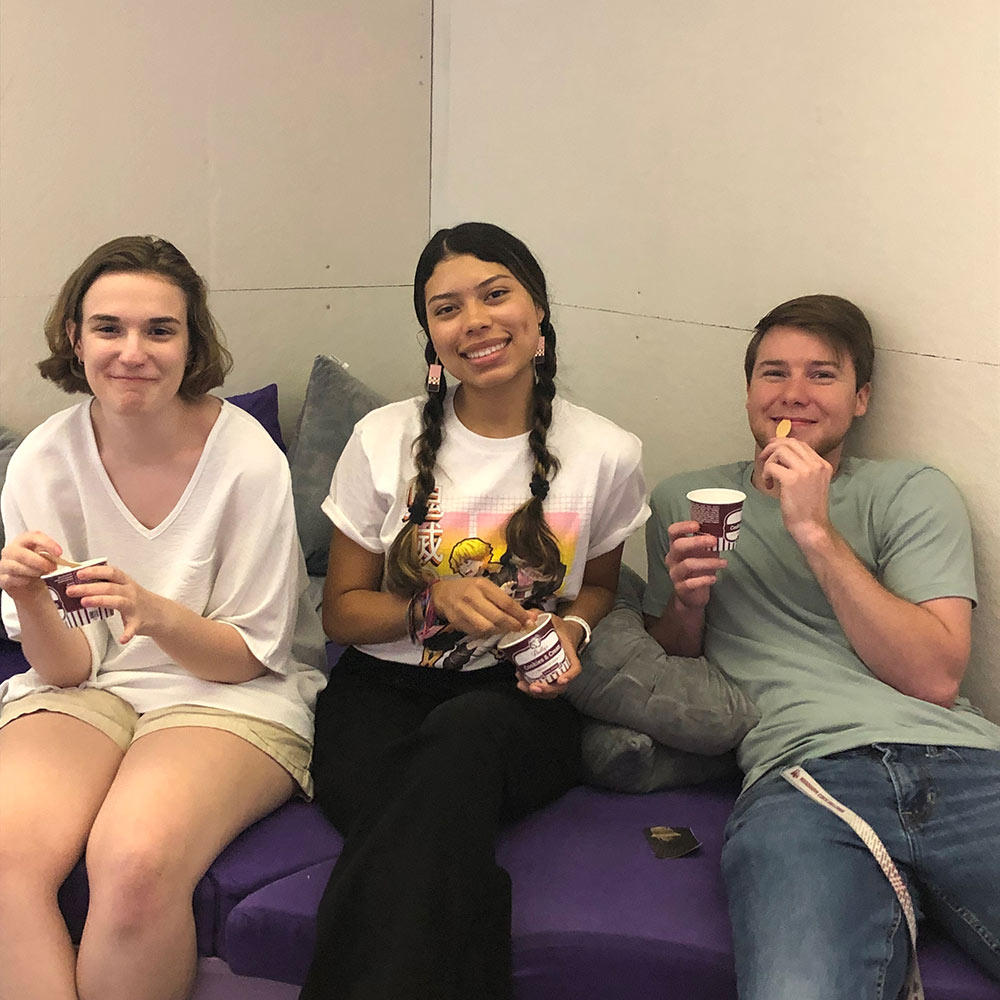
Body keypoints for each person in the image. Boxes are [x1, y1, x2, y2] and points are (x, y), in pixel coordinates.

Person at [301, 222, 649, 1000]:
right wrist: (426, 605)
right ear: (431, 334)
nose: (477, 321)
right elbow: (340, 615)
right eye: (448, 308)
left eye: (496, 294)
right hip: (379, 698)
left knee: (457, 747)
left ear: (538, 311)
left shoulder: (606, 451)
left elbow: (598, 587)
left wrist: (571, 628)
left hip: (516, 706)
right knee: (429, 832)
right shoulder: (381, 437)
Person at [644, 294, 1000, 999]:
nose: (794, 395)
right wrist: (686, 603)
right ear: (749, 391)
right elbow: (676, 670)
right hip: (801, 783)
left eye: (823, 376)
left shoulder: (912, 491)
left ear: (862, 397)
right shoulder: (685, 500)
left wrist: (814, 530)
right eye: (774, 373)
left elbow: (931, 676)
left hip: (964, 768)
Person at [0, 236, 327, 1000]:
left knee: (136, 860)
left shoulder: (246, 458)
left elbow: (248, 656)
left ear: (193, 344)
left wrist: (151, 610)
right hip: (89, 690)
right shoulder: (44, 461)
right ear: (74, 338)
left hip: (228, 691)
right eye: (109, 328)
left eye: (160, 330)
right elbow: (70, 668)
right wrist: (26, 598)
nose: (132, 352)